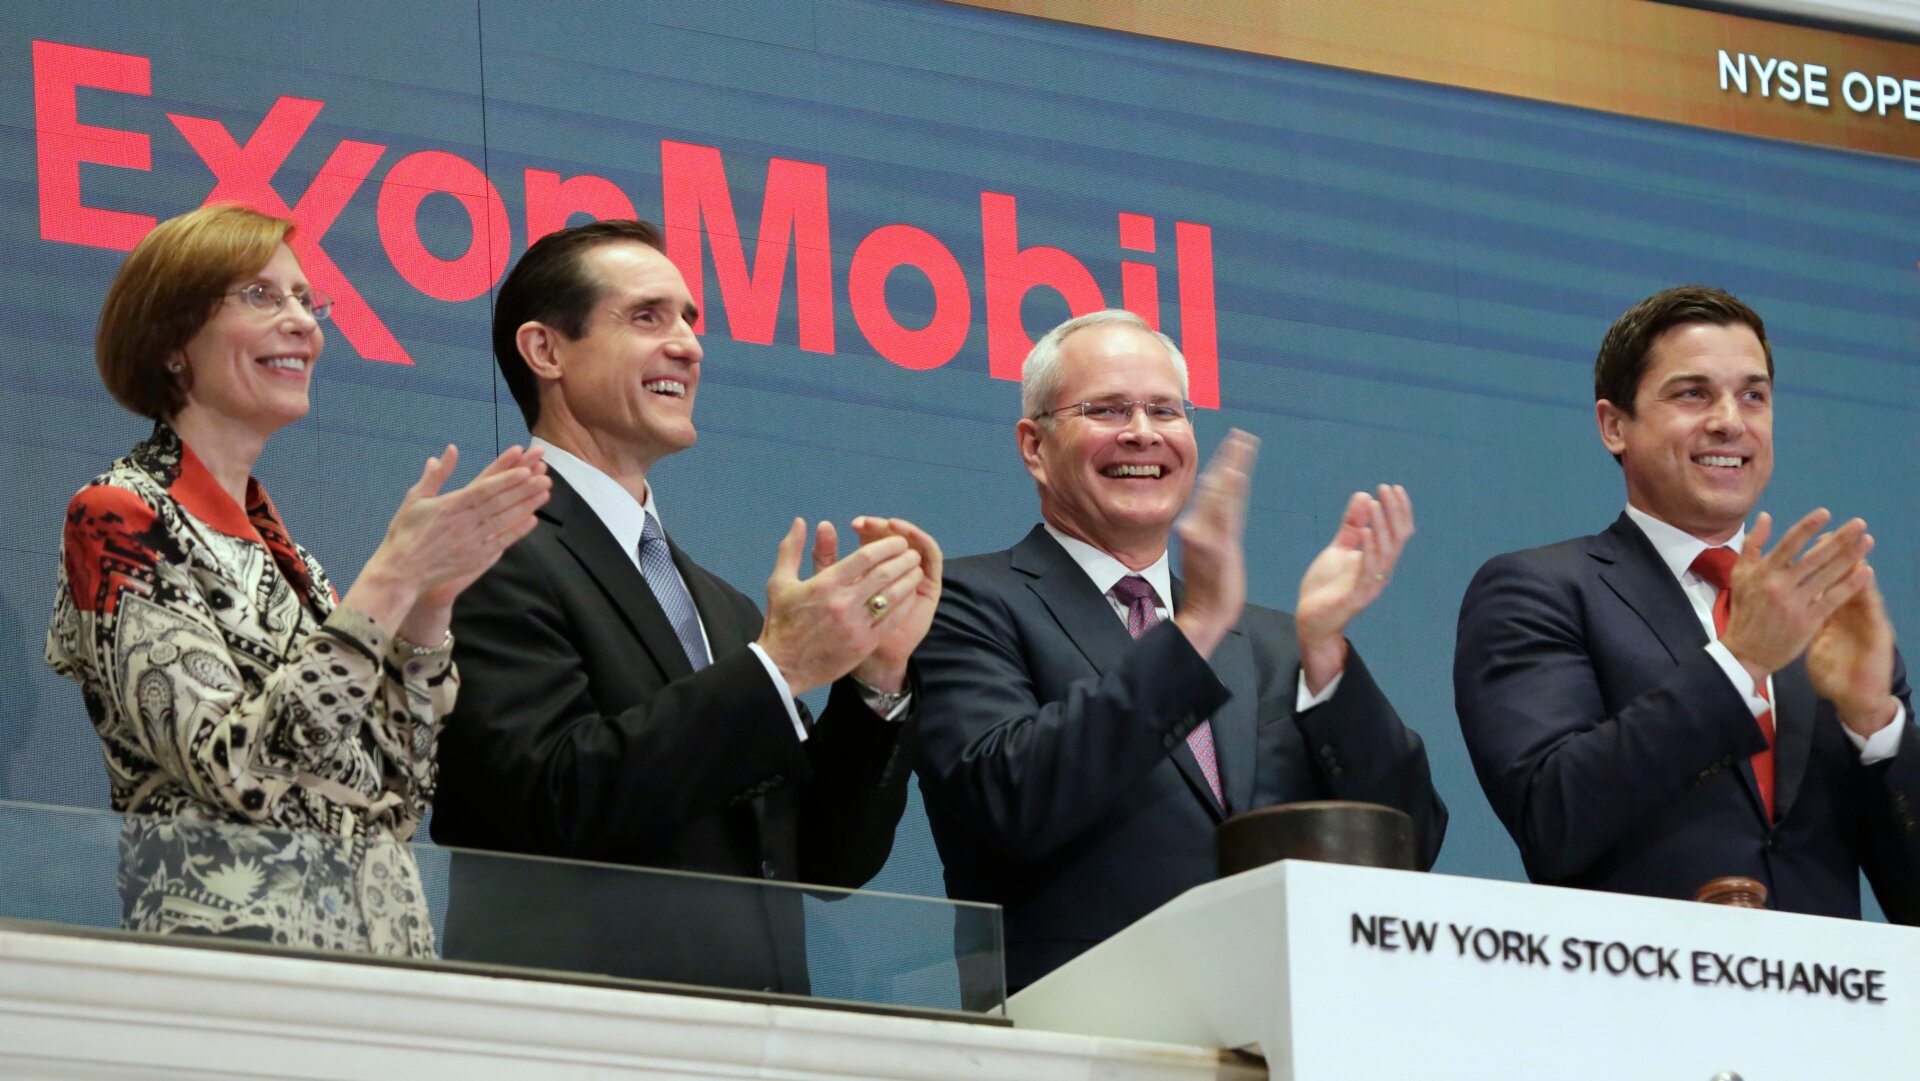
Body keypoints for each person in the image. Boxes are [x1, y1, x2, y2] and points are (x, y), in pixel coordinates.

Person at [430, 220, 940, 993]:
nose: (689, 346)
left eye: (690, 320)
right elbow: (543, 801)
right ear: (546, 351)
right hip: (580, 1040)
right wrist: (782, 666)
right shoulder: (486, 547)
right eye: (647, 317)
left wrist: (875, 679)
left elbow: (829, 861)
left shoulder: (724, 609)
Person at [45, 203, 551, 957]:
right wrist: (392, 574)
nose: (304, 323)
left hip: (376, 979)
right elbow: (237, 769)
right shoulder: (117, 518)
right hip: (235, 978)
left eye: (307, 301)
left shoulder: (300, 570)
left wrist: (429, 606)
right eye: (261, 295)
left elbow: (399, 799)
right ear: (173, 340)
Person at [911, 309, 1447, 993]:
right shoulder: (962, 599)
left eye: (1166, 410)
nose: (1142, 432)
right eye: (1106, 409)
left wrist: (1326, 654)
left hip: (1281, 1028)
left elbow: (1411, 843)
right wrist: (1192, 630)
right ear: (1034, 444)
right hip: (1079, 1034)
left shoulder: (1280, 642)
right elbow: (1011, 802)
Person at [1455, 284, 1920, 921]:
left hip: (1826, 1005)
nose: (1731, 419)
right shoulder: (1539, 591)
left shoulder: (1823, 621)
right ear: (1614, 425)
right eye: (1693, 392)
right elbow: (1552, 817)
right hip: (1635, 1000)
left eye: (1753, 394)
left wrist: (1877, 722)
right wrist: (1739, 663)